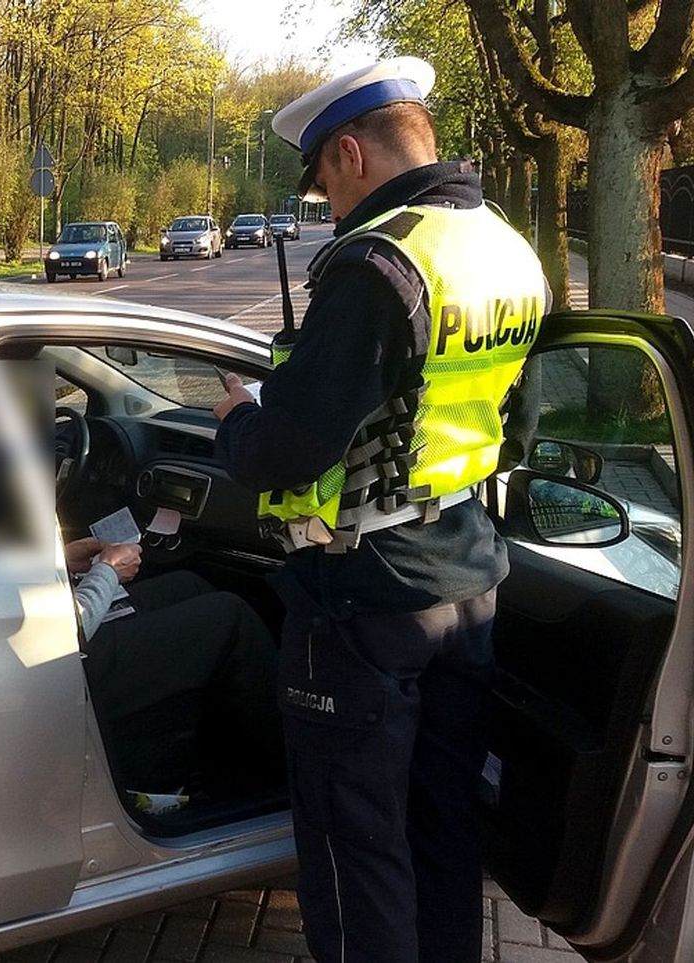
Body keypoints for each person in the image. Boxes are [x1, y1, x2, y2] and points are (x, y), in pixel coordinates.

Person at [211, 58, 546, 963]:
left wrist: (238, 419)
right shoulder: (506, 250)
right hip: (469, 586)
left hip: (361, 606)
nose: (325, 200)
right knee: (442, 830)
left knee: (356, 851)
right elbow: (516, 421)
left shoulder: (378, 262)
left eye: (321, 179)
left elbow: (287, 450)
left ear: (351, 151)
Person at [65, 537, 282, 800]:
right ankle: (297, 759)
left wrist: (64, 562)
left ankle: (225, 755)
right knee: (229, 618)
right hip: (60, 669)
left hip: (56, 635)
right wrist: (108, 571)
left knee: (187, 585)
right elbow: (63, 633)